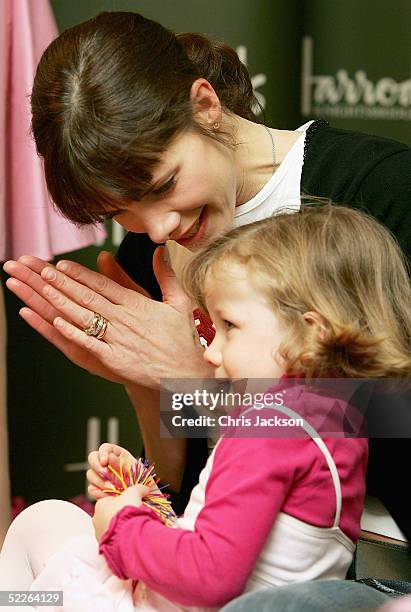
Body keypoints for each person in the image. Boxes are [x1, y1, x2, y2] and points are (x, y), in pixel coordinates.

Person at [2, 6, 410, 551]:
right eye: (122, 210)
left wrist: (199, 383)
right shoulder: (148, 252)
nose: (159, 225)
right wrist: (147, 386)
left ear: (205, 105)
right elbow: (188, 491)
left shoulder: (381, 190)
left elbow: (397, 419)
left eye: (164, 183)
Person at [2, 204, 410, 610]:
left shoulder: (265, 426)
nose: (211, 352)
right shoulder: (339, 423)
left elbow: (208, 574)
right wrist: (140, 497)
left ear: (309, 332)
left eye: (229, 327)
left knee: (43, 527)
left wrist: (121, 526)